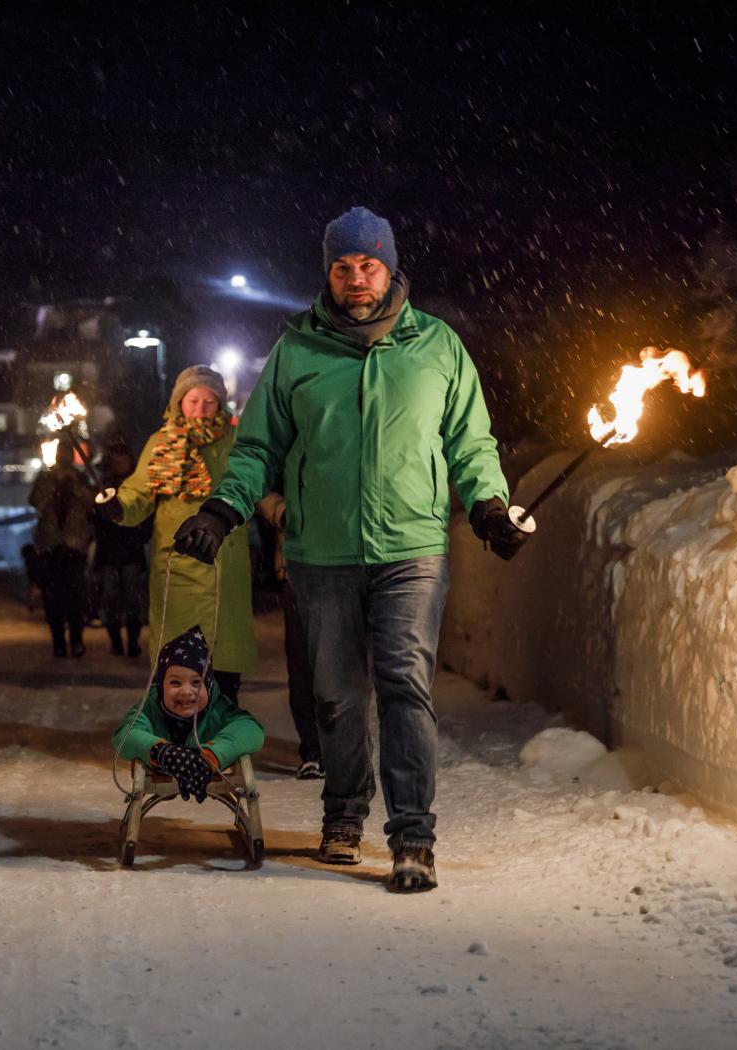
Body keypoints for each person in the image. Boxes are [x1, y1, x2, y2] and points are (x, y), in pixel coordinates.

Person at [173, 206, 528, 893]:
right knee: (335, 697)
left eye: (368, 265)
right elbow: (258, 450)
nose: (356, 279)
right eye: (342, 267)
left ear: (391, 267)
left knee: (403, 687)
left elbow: (470, 440)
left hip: (412, 546)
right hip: (322, 551)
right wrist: (224, 509)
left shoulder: (438, 346)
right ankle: (343, 812)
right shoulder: (297, 351)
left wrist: (487, 504)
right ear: (328, 273)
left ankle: (413, 837)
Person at [97, 366, 255, 699]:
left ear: (220, 404)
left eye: (209, 401)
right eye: (193, 400)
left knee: (222, 663)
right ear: (178, 402)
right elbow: (139, 494)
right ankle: (178, 741)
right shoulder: (161, 443)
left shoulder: (235, 441)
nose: (200, 409)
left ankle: (219, 742)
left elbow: (252, 488)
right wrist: (119, 506)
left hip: (224, 565)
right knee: (179, 664)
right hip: (175, 567)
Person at [111, 625, 264, 803]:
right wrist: (161, 752)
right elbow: (124, 735)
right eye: (175, 682)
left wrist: (211, 756)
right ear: (161, 685)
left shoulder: (218, 708)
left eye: (196, 682)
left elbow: (251, 729)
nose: (186, 691)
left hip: (208, 765)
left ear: (208, 684)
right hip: (162, 762)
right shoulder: (150, 706)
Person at [254, 490, 322, 780]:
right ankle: (313, 750)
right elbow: (261, 480)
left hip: (347, 561)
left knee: (342, 661)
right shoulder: (291, 446)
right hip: (296, 562)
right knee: (302, 662)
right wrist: (280, 510)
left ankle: (344, 750)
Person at [27, 439, 96, 657]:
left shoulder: (80, 478)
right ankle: (58, 641)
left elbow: (93, 501)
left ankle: (76, 640)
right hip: (51, 544)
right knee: (52, 597)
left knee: (76, 596)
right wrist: (51, 489)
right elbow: (36, 501)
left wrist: (75, 486)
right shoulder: (46, 478)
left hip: (73, 544)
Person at [91, 439, 151, 657]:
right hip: (109, 551)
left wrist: (140, 535)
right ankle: (116, 640)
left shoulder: (137, 485)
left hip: (131, 551)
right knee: (111, 598)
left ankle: (133, 640)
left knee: (132, 598)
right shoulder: (103, 484)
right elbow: (95, 519)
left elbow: (146, 517)